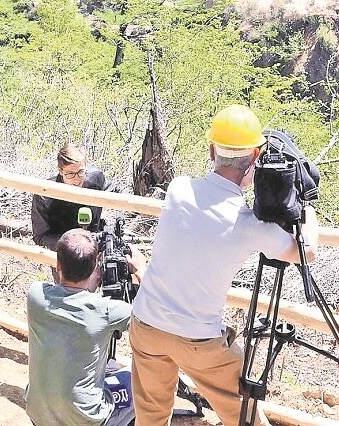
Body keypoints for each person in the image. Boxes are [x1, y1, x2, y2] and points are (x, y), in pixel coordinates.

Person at [129, 104, 319, 426]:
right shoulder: (249, 225)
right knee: (245, 418)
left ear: (211, 150)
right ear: (256, 156)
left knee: (151, 418)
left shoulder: (178, 189)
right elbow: (307, 252)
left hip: (146, 324)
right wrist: (307, 202)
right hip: (199, 341)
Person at [27, 228, 145, 426]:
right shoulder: (107, 311)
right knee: (136, 379)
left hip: (38, 415)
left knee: (107, 368)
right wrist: (141, 272)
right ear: (94, 269)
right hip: (85, 419)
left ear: (58, 265)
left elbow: (74, 295)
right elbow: (153, 318)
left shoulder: (36, 296)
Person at [32, 142, 124, 251]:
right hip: (64, 252)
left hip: (95, 245)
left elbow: (118, 192)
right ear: (60, 171)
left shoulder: (95, 179)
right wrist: (75, 243)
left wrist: (131, 212)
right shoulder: (45, 195)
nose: (77, 179)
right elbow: (40, 237)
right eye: (70, 174)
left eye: (81, 172)